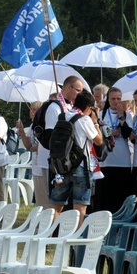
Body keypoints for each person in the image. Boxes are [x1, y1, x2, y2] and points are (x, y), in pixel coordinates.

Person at [47, 90, 102, 225]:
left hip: (61, 166)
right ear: (89, 108)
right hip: (81, 167)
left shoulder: (62, 116)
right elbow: (99, 141)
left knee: (56, 206)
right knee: (80, 207)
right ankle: (74, 243)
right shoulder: (85, 119)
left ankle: (47, 239)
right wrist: (96, 122)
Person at [36, 75, 85, 208]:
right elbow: (54, 138)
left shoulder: (70, 107)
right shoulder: (55, 108)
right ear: (69, 87)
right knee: (53, 201)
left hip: (67, 162)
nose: (80, 94)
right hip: (56, 161)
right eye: (78, 90)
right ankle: (51, 228)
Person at [96, 87, 133, 212]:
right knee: (105, 195)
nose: (116, 102)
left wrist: (122, 116)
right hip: (106, 160)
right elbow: (96, 132)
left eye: (119, 99)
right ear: (108, 99)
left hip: (122, 160)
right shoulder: (101, 114)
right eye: (113, 99)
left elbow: (129, 134)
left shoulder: (128, 115)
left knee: (120, 195)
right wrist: (110, 131)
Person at [16, 101, 43, 206]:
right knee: (38, 193)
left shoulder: (43, 124)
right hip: (35, 163)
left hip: (43, 163)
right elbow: (28, 146)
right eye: (31, 109)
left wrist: (38, 146)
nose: (32, 112)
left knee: (43, 192)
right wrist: (22, 132)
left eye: (34, 110)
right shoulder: (32, 126)